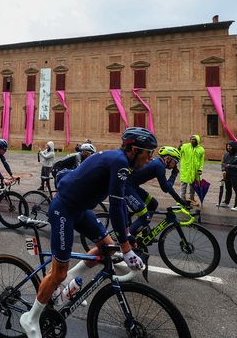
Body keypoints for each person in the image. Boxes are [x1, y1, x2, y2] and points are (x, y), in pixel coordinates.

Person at [19, 128, 156, 338]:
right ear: (135, 150)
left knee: (107, 248)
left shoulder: (122, 162)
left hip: (80, 210)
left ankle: (69, 279)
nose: (150, 159)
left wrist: (127, 238)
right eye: (149, 153)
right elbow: (116, 208)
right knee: (58, 272)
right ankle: (31, 318)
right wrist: (127, 249)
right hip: (64, 209)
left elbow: (121, 205)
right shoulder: (119, 161)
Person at [125, 145, 188, 235]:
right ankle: (127, 241)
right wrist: (173, 175)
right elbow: (166, 188)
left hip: (132, 186)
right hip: (126, 188)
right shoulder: (159, 166)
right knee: (145, 216)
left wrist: (181, 201)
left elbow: (169, 188)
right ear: (168, 158)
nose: (175, 165)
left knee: (153, 204)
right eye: (175, 161)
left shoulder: (159, 164)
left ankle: (141, 229)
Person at [179, 135, 205, 206]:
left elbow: (201, 161)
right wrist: (179, 147)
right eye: (191, 139)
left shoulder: (201, 149)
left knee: (193, 186)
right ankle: (182, 199)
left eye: (194, 139)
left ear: (197, 140)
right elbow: (178, 152)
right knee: (183, 185)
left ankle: (191, 198)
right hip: (185, 169)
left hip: (195, 171)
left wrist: (200, 169)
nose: (192, 141)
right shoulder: (185, 146)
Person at [220, 140, 237, 211]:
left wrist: (230, 166)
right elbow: (223, 164)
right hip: (227, 174)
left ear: (234, 147)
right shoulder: (226, 154)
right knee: (228, 189)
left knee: (236, 189)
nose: (228, 147)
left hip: (236, 175)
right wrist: (223, 170)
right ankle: (226, 202)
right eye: (227, 146)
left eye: (230, 146)